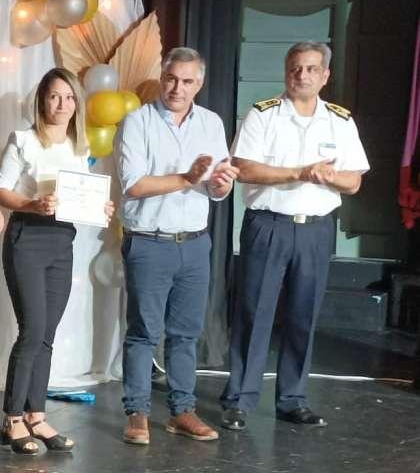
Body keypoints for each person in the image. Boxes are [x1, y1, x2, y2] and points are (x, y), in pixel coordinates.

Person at [219, 42, 368, 430]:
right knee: (255, 313)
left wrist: (331, 176)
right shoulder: (263, 115)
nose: (302, 75)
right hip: (269, 225)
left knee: (304, 314)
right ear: (286, 71)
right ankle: (240, 399)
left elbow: (354, 181)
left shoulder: (340, 121)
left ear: (325, 76)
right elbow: (244, 169)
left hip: (316, 229)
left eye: (311, 69)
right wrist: (299, 173)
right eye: (295, 68)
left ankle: (293, 398)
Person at [115, 47, 238, 446]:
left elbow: (216, 188)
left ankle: (182, 411)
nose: (177, 88)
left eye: (187, 81)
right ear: (161, 77)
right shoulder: (137, 121)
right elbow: (134, 184)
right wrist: (187, 177)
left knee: (186, 334)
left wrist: (220, 184)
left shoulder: (211, 123)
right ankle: (137, 412)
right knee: (144, 333)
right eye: (171, 79)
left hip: (196, 244)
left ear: (199, 84)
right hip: (150, 242)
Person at [0, 67, 113, 454]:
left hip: (62, 241)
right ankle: (12, 418)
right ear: (42, 101)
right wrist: (32, 204)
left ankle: (36, 415)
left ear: (77, 103)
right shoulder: (24, 140)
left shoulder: (80, 146)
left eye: (69, 97)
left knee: (47, 334)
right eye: (54, 96)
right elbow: (0, 190)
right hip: (27, 238)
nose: (62, 104)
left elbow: (82, 196)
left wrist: (101, 208)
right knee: (31, 330)